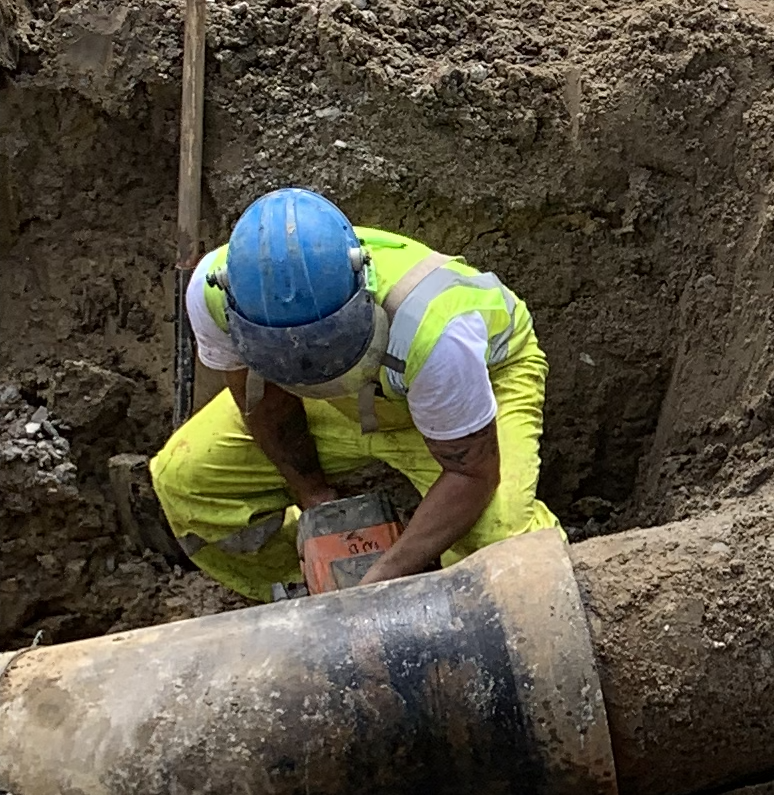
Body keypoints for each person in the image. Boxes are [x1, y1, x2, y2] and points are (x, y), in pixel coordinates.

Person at [141, 188, 556, 602]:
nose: (308, 361)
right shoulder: (215, 293)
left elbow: (472, 473)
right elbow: (262, 398)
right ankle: (304, 591)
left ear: (363, 283)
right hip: (336, 404)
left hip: (474, 384)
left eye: (323, 346)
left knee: (504, 545)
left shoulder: (437, 331)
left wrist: (379, 581)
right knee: (188, 482)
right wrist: (314, 498)